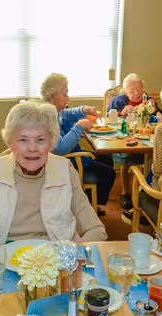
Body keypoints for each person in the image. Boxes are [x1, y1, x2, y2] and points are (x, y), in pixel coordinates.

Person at [0, 101, 107, 244]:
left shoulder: (65, 170)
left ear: (51, 142)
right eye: (23, 140)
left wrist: (76, 253)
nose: (32, 148)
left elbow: (95, 229)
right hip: (5, 257)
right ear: (11, 142)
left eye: (40, 140)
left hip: (56, 258)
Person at [40, 73, 116, 215]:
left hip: (72, 158)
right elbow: (60, 148)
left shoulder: (55, 111)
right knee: (108, 173)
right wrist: (79, 126)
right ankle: (86, 207)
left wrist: (83, 109)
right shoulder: (48, 118)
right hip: (66, 163)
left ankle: (89, 199)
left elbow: (68, 114)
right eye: (65, 94)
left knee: (106, 158)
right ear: (51, 96)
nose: (67, 97)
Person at [107, 73, 162, 213]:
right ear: (125, 91)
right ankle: (126, 193)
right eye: (132, 90)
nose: (137, 93)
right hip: (124, 140)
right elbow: (108, 119)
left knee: (154, 159)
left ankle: (145, 192)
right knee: (127, 159)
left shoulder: (148, 100)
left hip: (146, 138)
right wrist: (120, 113)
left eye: (139, 89)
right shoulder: (119, 101)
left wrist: (155, 110)